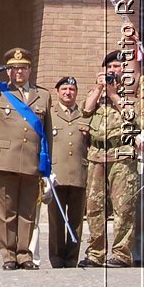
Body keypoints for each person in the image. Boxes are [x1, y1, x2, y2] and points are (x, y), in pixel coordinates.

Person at [0, 48, 52, 270]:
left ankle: (24, 254)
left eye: (23, 68)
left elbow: (47, 132)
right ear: (8, 72)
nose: (19, 72)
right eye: (14, 68)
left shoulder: (43, 95)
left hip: (31, 160)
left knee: (27, 210)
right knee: (7, 211)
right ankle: (8, 255)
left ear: (30, 70)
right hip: (5, 159)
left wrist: (47, 165)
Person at [80, 50, 143, 268]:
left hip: (122, 156)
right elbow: (86, 110)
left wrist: (115, 95)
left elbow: (135, 119)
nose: (112, 71)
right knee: (94, 207)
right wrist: (99, 89)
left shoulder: (130, 94)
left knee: (123, 207)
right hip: (97, 156)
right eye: (109, 67)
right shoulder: (97, 92)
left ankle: (121, 253)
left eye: (117, 67)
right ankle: (95, 253)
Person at [46, 76, 89, 268]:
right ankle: (56, 257)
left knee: (76, 220)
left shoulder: (85, 114)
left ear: (76, 93)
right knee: (56, 220)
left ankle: (71, 258)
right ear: (57, 92)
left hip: (79, 172)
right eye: (64, 89)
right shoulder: (50, 114)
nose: (68, 93)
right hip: (57, 174)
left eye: (71, 89)